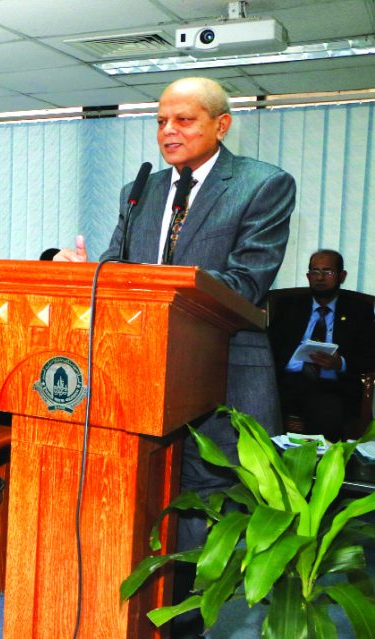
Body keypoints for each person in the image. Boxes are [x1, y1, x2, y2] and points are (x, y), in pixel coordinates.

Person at [55, 77, 296, 637]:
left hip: (221, 374)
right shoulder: (140, 189)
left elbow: (246, 282)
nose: (168, 132)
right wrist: (86, 271)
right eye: (161, 120)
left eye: (184, 120)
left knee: (203, 504)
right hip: (140, 375)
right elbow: (119, 269)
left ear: (221, 124)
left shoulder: (263, 184)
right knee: (141, 494)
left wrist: (157, 285)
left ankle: (185, 622)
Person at [269, 250, 375, 440]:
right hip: (289, 382)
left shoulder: (359, 310)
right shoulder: (288, 306)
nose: (320, 278)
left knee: (326, 406)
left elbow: (370, 355)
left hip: (334, 387)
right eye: (315, 272)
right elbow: (270, 347)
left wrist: (340, 363)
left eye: (327, 272)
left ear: (342, 276)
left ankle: (320, 465)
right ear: (308, 276)